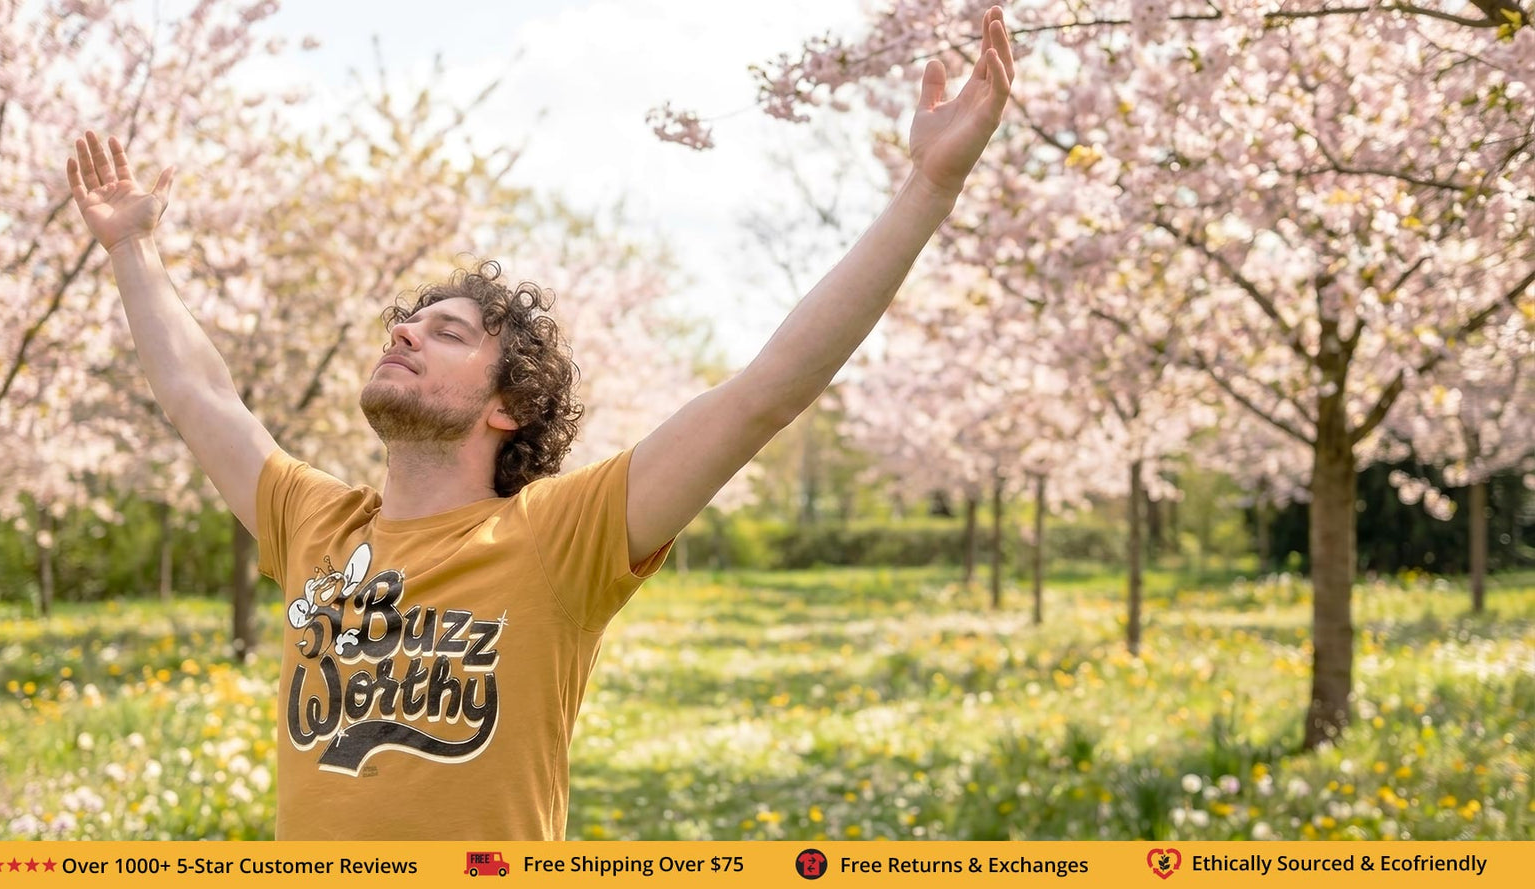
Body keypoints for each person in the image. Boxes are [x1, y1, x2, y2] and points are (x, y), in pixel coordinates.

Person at [66, 7, 1015, 841]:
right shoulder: (315, 525)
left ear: (505, 404)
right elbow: (201, 397)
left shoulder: (561, 537)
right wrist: (134, 249)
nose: (404, 331)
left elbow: (764, 392)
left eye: (446, 332)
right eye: (407, 320)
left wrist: (926, 190)